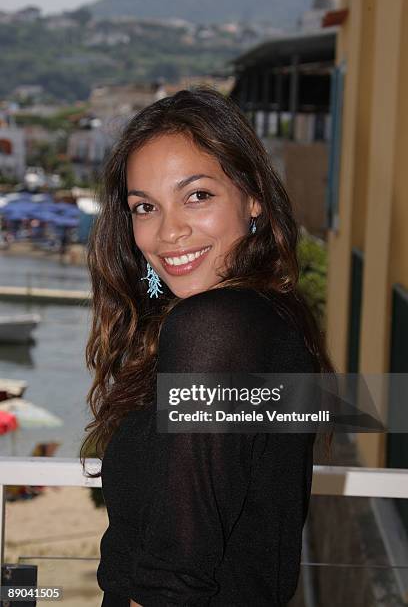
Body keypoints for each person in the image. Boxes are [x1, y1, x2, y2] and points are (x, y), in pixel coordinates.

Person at [81, 87, 335, 607]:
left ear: (253, 196)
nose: (169, 231)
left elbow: (174, 576)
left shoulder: (215, 327)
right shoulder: (271, 320)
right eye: (145, 207)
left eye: (197, 195)